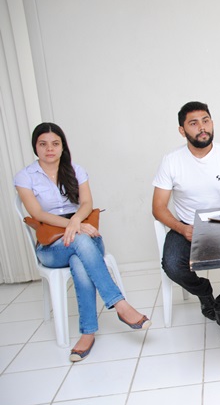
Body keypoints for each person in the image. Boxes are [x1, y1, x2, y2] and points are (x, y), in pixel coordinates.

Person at [14, 123, 151, 362]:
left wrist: (76, 221)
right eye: (43, 144)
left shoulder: (76, 170)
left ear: (63, 146)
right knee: (80, 244)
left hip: (83, 235)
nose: (49, 149)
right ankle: (120, 305)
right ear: (35, 147)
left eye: (55, 143)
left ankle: (87, 333)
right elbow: (37, 213)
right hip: (51, 246)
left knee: (79, 260)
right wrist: (73, 226)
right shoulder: (25, 177)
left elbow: (87, 204)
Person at [152, 101, 220, 337]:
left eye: (205, 121)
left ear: (212, 123)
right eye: (194, 123)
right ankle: (204, 292)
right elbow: (158, 207)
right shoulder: (171, 160)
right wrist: (181, 228)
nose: (202, 127)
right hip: (187, 227)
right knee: (172, 265)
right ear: (182, 130)